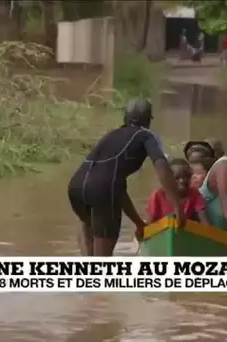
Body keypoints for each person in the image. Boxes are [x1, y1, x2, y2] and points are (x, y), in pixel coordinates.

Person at [67, 99, 187, 257]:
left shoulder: (111, 136)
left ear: (126, 117)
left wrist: (139, 223)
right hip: (102, 190)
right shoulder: (146, 136)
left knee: (89, 232)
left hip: (75, 187)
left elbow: (118, 191)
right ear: (148, 120)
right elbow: (162, 166)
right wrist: (178, 206)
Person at [148, 158, 210, 225]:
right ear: (169, 179)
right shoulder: (158, 195)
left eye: (186, 176)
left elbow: (205, 222)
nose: (182, 180)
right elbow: (149, 224)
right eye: (177, 177)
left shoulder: (194, 193)